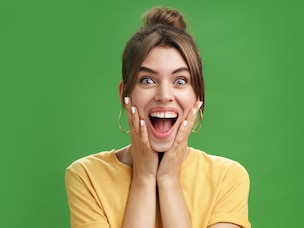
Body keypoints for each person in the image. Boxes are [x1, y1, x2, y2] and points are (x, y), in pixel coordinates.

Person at [65, 6, 250, 228]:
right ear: (125, 94)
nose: (164, 96)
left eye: (180, 81)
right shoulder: (87, 176)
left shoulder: (227, 178)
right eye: (147, 80)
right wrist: (143, 178)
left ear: (198, 95)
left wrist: (168, 180)